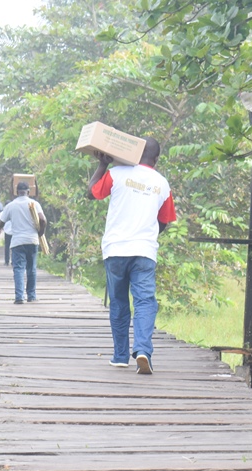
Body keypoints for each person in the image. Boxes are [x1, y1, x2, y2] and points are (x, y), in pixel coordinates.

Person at [88, 137, 176, 374]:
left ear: (135, 154)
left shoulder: (117, 173)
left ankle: (119, 356)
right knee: (145, 301)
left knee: (118, 301)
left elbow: (92, 193)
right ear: (156, 159)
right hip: (144, 251)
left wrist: (102, 165)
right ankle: (143, 350)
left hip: (116, 249)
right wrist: (148, 234)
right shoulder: (162, 183)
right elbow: (165, 220)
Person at [0, 181, 47, 304]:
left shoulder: (11, 206)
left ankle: (19, 297)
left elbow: (1, 221)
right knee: (32, 269)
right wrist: (41, 232)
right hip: (32, 240)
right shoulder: (34, 204)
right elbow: (43, 220)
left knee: (19, 269)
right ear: (28, 192)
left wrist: (0, 228)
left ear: (16, 192)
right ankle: (31, 295)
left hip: (17, 242)